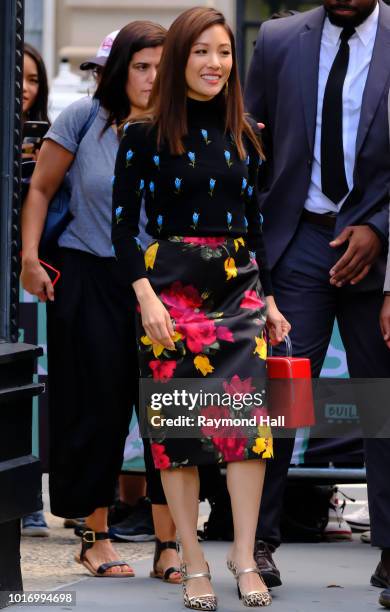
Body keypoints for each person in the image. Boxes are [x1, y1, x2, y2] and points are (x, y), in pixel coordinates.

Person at [112, 6, 290, 609]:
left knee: (246, 430)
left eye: (224, 52)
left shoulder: (247, 130)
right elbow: (121, 230)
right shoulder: (142, 134)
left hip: (238, 287)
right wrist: (145, 299)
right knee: (178, 428)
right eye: (201, 52)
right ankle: (191, 558)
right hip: (171, 292)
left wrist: (267, 298)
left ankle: (242, 554)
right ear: (181, 57)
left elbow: (256, 224)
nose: (215, 63)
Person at [20, 22, 183, 581]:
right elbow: (40, 188)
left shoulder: (184, 127)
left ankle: (170, 543)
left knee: (171, 411)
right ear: (117, 71)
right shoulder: (83, 119)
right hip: (90, 275)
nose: (151, 77)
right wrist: (29, 255)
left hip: (166, 283)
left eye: (162, 65)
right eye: (140, 65)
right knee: (96, 409)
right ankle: (94, 536)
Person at [245, 0, 390, 596]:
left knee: (379, 402)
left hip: (378, 248)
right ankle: (255, 540)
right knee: (280, 391)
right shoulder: (278, 40)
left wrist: (381, 229)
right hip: (298, 238)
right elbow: (248, 151)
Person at [20, 42, 51, 538]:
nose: (23, 89)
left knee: (30, 382)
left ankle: (26, 498)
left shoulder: (48, 137)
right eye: (16, 78)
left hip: (33, 272)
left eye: (32, 80)